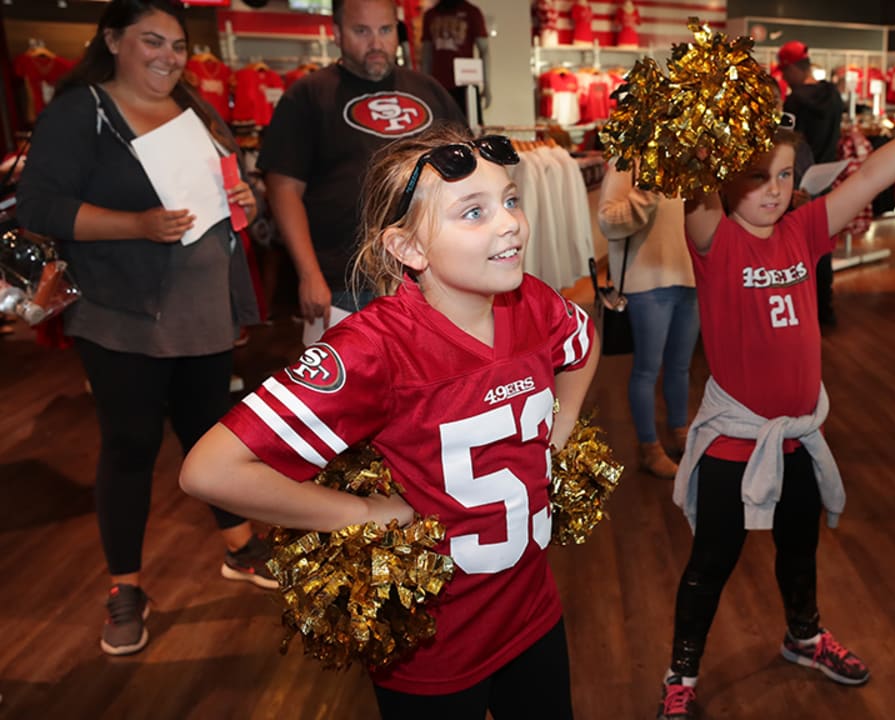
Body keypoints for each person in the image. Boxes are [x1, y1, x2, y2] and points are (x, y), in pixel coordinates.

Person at [180, 125, 599, 718]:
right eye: (473, 212)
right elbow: (210, 470)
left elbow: (582, 343)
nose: (510, 223)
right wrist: (360, 513)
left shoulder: (532, 300)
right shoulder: (371, 349)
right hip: (434, 649)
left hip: (533, 613)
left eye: (509, 200)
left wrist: (564, 422)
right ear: (408, 250)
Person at [656, 107, 895, 719]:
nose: (774, 189)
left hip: (796, 439)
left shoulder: (805, 229)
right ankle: (680, 674)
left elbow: (870, 178)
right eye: (759, 174)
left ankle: (804, 638)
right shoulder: (716, 237)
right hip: (736, 441)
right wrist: (691, 121)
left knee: (799, 549)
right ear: (728, 176)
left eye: (786, 176)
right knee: (711, 564)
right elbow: (693, 177)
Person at [15, 0, 267, 657]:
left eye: (178, 44)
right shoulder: (83, 112)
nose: (168, 56)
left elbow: (233, 187)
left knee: (212, 435)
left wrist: (249, 198)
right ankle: (124, 586)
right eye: (151, 41)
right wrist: (135, 224)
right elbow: (39, 207)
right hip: (122, 313)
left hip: (205, 305)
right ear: (113, 41)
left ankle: (240, 548)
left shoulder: (198, 109)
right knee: (129, 447)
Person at [261, 0, 464, 347]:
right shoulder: (307, 96)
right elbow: (283, 189)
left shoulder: (430, 91)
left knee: (433, 390)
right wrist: (308, 273)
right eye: (361, 31)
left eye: (385, 30)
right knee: (351, 397)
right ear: (337, 33)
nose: (376, 43)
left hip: (430, 276)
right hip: (344, 284)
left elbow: (464, 176)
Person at [597, 162, 698, 479]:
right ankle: (649, 447)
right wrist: (650, 187)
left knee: (681, 366)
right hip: (646, 281)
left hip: (690, 276)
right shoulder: (630, 157)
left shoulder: (689, 153)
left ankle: (680, 431)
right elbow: (608, 221)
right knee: (647, 369)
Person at [777, 41, 845, 327]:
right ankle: (824, 309)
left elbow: (792, 145)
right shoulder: (833, 94)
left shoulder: (794, 102)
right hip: (825, 178)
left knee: (794, 248)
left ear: (793, 68)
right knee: (822, 246)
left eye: (784, 71)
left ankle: (801, 310)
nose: (783, 77)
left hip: (799, 180)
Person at [419, 0, 490, 122]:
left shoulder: (472, 12)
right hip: (439, 85)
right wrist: (425, 86)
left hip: (466, 84)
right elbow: (427, 54)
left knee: (470, 129)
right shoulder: (430, 15)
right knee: (440, 130)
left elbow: (484, 50)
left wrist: (486, 85)